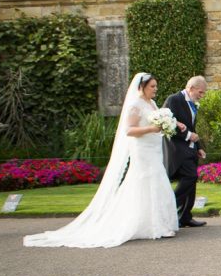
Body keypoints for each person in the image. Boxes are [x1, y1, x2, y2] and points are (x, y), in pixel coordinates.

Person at [24, 73, 179, 247]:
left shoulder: (152, 103)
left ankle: (159, 223)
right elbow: (129, 130)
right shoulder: (135, 105)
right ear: (141, 87)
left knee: (157, 182)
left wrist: (168, 125)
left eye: (156, 86)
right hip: (142, 150)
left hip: (154, 149)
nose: (155, 89)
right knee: (145, 182)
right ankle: (150, 225)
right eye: (152, 86)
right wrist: (151, 128)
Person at [165, 76, 208, 228]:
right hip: (177, 149)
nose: (202, 96)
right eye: (200, 92)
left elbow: (191, 127)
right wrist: (188, 136)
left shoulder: (192, 104)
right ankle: (167, 208)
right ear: (191, 88)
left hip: (189, 149)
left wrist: (199, 147)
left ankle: (185, 217)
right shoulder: (174, 100)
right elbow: (167, 123)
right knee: (190, 176)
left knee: (191, 181)